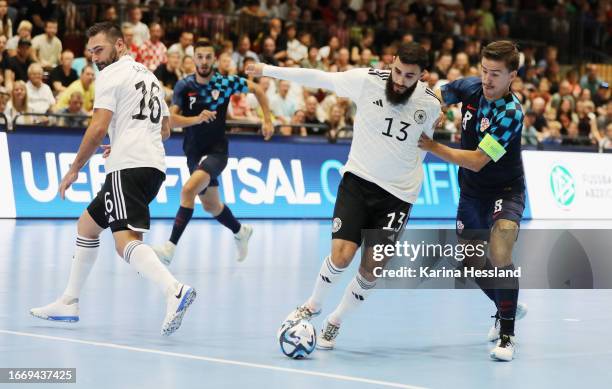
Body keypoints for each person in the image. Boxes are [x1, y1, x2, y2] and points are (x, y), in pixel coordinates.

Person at [246, 42, 441, 349]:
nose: (401, 80)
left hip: (398, 196)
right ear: (391, 62)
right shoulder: (367, 80)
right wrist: (267, 70)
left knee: (371, 269)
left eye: (410, 76)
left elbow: (424, 148)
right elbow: (318, 77)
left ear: (422, 75)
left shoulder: (429, 105)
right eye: (398, 71)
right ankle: (312, 304)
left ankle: (335, 320)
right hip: (358, 181)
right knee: (341, 255)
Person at [29, 22, 196, 336]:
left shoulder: (110, 75)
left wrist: (75, 167)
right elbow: (165, 129)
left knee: (124, 243)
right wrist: (123, 139)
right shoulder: (150, 76)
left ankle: (174, 290)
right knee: (87, 225)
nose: (95, 58)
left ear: (120, 45)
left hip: (128, 166)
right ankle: (69, 301)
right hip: (152, 166)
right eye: (90, 52)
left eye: (100, 49)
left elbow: (97, 128)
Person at [418, 41, 528, 361]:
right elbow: (439, 91)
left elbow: (479, 160)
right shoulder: (471, 88)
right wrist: (436, 108)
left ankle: (507, 334)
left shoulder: (510, 113)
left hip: (505, 190)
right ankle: (505, 305)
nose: (487, 79)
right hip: (471, 193)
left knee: (500, 249)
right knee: (472, 263)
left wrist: (431, 146)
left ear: (512, 76)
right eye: (484, 70)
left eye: (496, 74)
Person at [152, 39, 274, 265]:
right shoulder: (184, 85)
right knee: (211, 205)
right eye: (200, 56)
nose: (204, 61)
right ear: (194, 58)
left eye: (209, 57)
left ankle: (169, 248)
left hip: (217, 152)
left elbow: (257, 89)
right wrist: (197, 118)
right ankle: (240, 231)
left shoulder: (225, 83)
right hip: (192, 152)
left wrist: (267, 119)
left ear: (214, 59)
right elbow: (171, 119)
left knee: (188, 190)